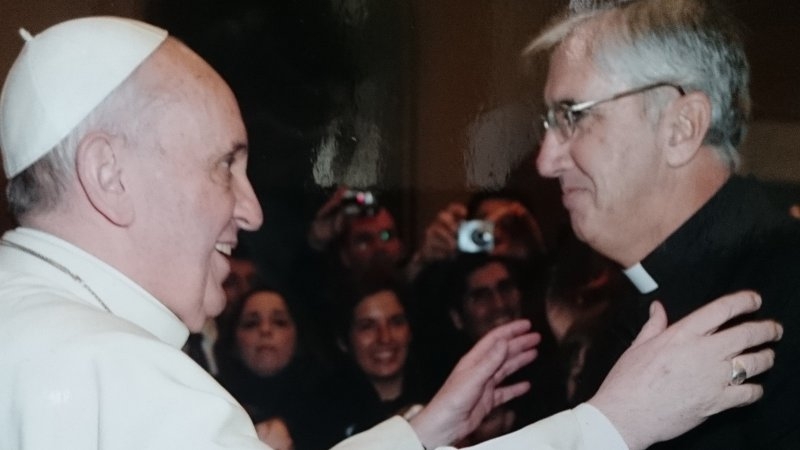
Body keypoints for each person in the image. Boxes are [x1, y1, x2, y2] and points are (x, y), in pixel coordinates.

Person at [0, 15, 782, 450]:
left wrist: (420, 434)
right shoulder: (104, 371)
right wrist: (606, 429)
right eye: (223, 166)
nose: (252, 211)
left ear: (683, 125)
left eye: (571, 117)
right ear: (108, 174)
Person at [528, 0, 800, 447]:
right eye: (551, 122)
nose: (546, 160)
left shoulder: (788, 291)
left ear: (682, 127)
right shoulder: (622, 315)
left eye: (574, 116)